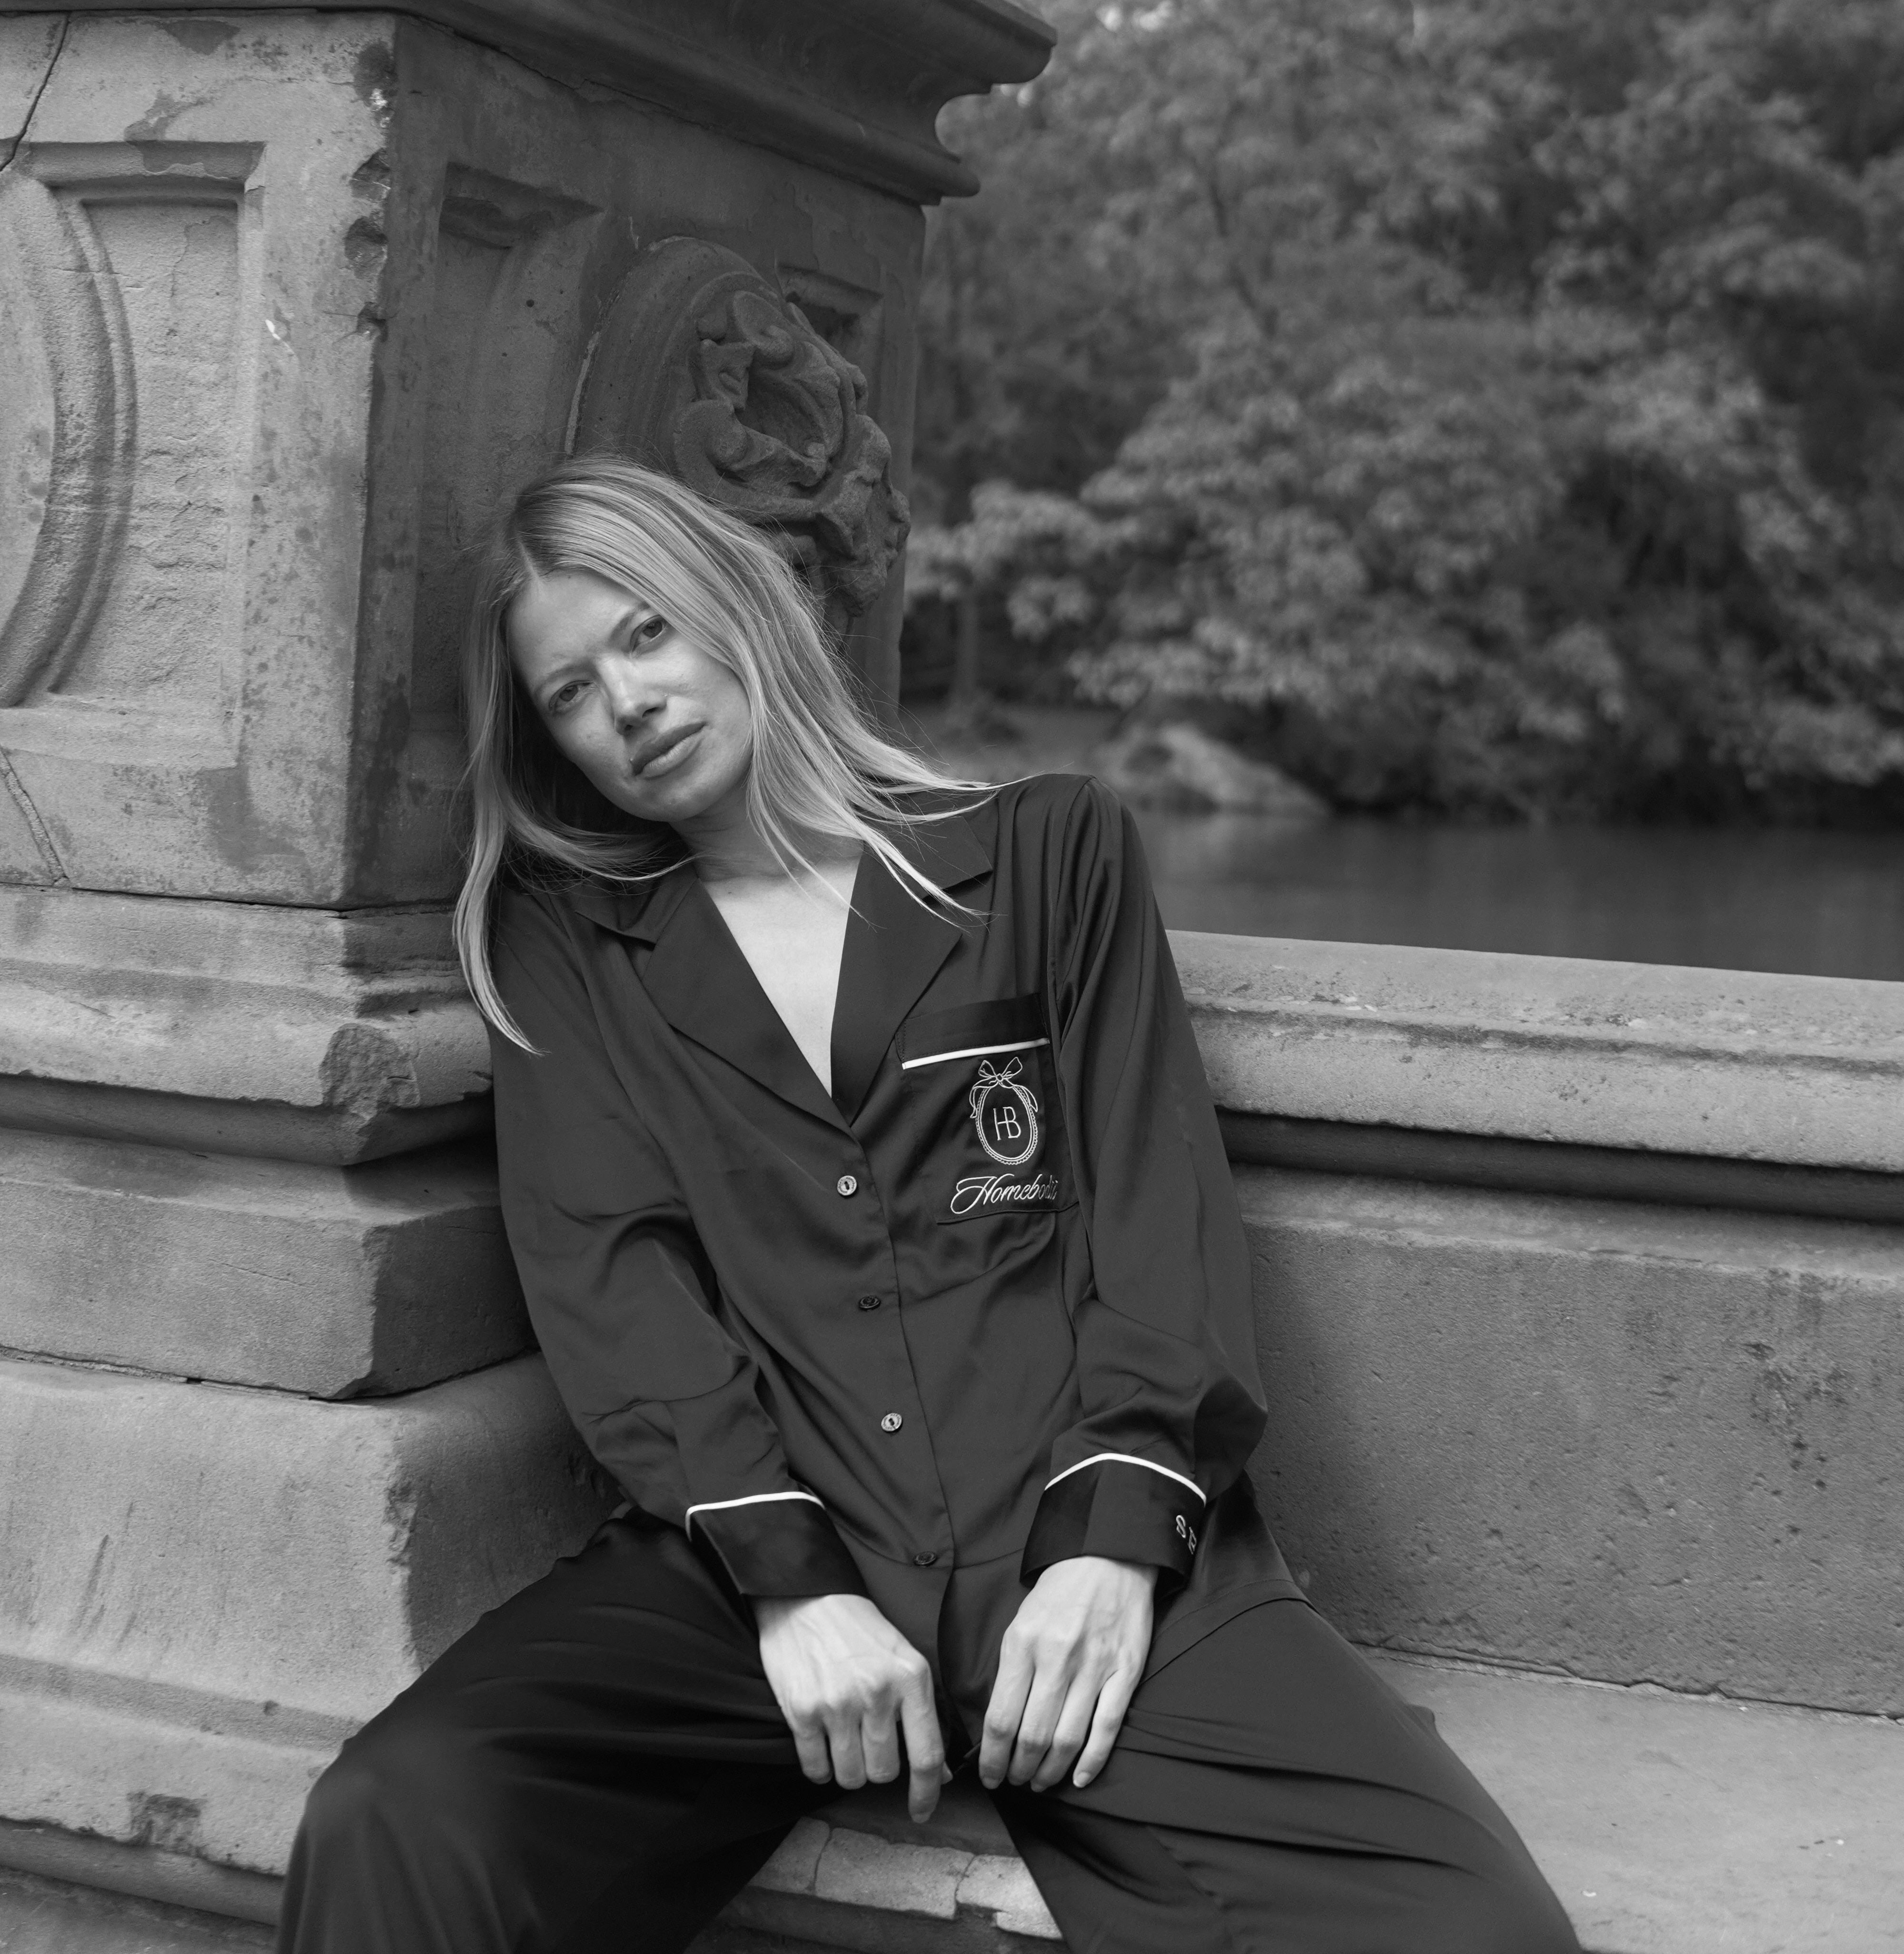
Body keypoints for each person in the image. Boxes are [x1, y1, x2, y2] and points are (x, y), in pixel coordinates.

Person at [279, 456, 1578, 1954]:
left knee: (1478, 1930)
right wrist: (790, 1585)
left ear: (739, 608)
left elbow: (1159, 1232)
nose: (625, 703)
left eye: (645, 634)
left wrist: (1114, 1550)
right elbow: (613, 1281)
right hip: (757, 1573)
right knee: (401, 1815)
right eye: (570, 691)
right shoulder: (569, 946)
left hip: (1080, 1549)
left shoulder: (1048, 856)